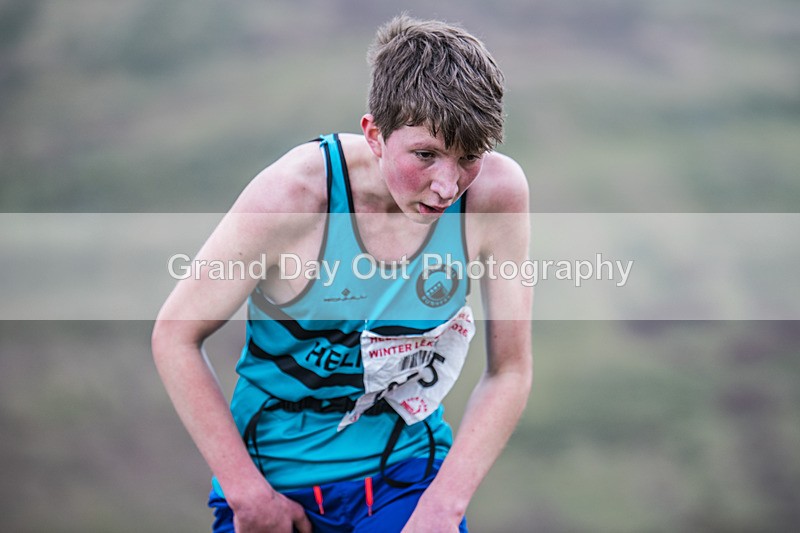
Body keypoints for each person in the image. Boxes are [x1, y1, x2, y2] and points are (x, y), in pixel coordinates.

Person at [152, 14, 532, 533]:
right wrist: (247, 495)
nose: (447, 186)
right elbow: (174, 335)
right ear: (374, 134)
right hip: (275, 480)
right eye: (426, 155)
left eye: (468, 158)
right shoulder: (293, 197)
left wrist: (444, 509)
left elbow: (509, 370)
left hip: (406, 476)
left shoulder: (496, 195)